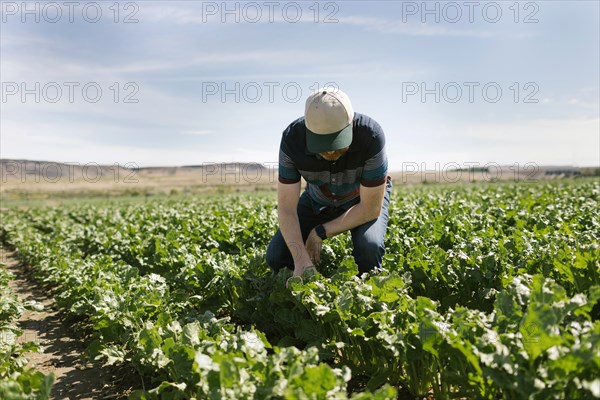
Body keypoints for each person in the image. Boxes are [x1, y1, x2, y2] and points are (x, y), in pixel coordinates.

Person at [266, 87, 392, 278]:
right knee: (276, 256)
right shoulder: (292, 140)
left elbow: (369, 208)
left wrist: (319, 232)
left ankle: (367, 291)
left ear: (350, 124)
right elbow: (286, 209)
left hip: (361, 200)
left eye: (336, 143)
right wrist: (301, 260)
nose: (330, 153)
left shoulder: (371, 136)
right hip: (318, 197)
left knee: (369, 247)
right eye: (321, 145)